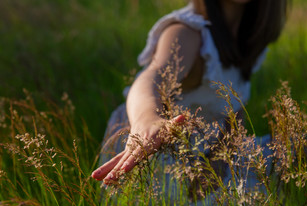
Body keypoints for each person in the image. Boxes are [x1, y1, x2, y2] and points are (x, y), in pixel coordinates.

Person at [92, 0, 287, 191]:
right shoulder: (187, 32)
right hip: (156, 148)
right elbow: (149, 79)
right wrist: (147, 118)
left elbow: (233, 112)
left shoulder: (246, 39)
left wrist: (217, 163)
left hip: (210, 154)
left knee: (295, 150)